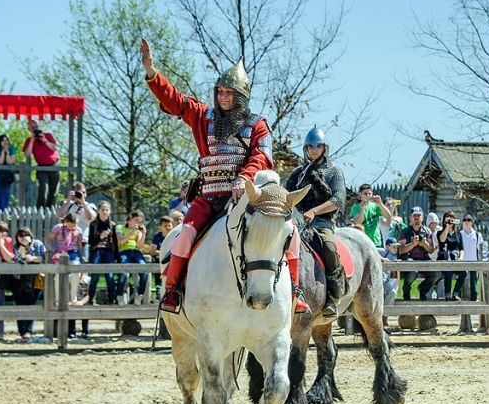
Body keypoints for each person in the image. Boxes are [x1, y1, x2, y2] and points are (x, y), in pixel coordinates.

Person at [142, 38, 284, 314]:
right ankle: (172, 291)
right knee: (184, 235)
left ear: (241, 96)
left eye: (229, 93)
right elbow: (176, 101)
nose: (223, 97)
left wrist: (244, 178)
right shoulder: (203, 117)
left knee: (280, 230)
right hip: (208, 196)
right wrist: (152, 73)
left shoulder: (257, 125)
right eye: (220, 92)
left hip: (244, 198)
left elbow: (261, 156)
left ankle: (293, 292)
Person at [286, 127, 347, 318]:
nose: (314, 149)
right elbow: (288, 197)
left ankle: (332, 297)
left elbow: (337, 200)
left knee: (328, 248)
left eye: (318, 145)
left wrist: (314, 211)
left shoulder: (334, 171)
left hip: (322, 223)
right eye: (310, 146)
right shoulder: (297, 173)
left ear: (324, 147)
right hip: (298, 222)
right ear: (305, 148)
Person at [11, 227, 45, 342]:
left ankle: (28, 332)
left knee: (31, 306)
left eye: (26, 235)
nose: (23, 237)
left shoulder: (38, 244)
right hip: (18, 280)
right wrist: (23, 246)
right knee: (19, 307)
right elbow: (17, 259)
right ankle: (22, 332)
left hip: (35, 279)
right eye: (20, 236)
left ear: (31, 236)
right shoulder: (15, 246)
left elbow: (44, 258)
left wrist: (32, 258)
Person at [397, 207, 438, 300]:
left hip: (424, 259)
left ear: (422, 217)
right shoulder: (404, 232)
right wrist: (412, 244)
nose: (416, 217)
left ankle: (422, 289)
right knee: (412, 271)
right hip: (409, 259)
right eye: (414, 215)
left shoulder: (427, 231)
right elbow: (400, 250)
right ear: (410, 217)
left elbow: (431, 250)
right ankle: (406, 292)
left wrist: (424, 244)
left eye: (418, 215)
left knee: (436, 273)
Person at [87, 202, 119, 307]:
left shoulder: (112, 225)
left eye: (107, 210)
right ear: (98, 211)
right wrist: (100, 237)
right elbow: (91, 242)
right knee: (95, 275)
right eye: (102, 210)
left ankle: (111, 299)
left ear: (110, 211)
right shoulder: (93, 224)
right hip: (96, 250)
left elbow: (115, 242)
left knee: (109, 275)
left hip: (108, 251)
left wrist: (116, 257)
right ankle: (90, 299)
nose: (104, 212)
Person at [23, 119, 61, 207]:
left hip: (54, 165)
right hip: (41, 167)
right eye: (32, 127)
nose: (34, 129)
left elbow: (54, 148)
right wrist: (32, 141)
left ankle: (50, 210)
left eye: (35, 127)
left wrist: (45, 140)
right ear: (29, 129)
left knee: (54, 191)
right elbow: (27, 154)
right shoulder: (29, 140)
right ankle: (40, 210)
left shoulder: (47, 135)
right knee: (43, 189)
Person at [56, 182, 96, 259]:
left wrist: (83, 202)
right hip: (68, 241)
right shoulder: (68, 204)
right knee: (67, 265)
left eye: (83, 192)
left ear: (86, 194)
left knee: (83, 264)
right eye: (78, 193)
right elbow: (60, 215)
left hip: (83, 240)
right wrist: (68, 200)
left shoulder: (90, 206)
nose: (81, 194)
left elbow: (90, 218)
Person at [116, 211, 148, 304]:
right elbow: (121, 242)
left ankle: (139, 294)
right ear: (129, 220)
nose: (138, 223)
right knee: (123, 273)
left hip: (136, 252)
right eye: (136, 220)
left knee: (144, 271)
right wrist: (131, 233)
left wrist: (143, 234)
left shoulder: (138, 231)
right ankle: (120, 295)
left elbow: (139, 245)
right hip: (124, 252)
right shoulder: (119, 227)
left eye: (139, 221)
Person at [457, 214, 485, 301]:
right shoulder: (459, 234)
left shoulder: (477, 235)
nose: (466, 222)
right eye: (464, 220)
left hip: (474, 261)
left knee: (474, 283)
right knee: (461, 282)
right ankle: (458, 298)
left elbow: (480, 249)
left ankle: (474, 300)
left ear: (472, 222)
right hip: (462, 262)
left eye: (468, 220)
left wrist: (480, 262)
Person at [437, 211, 464, 300]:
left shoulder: (458, 234)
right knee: (448, 270)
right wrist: (447, 227)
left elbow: (461, 249)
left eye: (451, 218)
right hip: (444, 259)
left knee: (464, 273)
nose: (449, 219)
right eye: (447, 217)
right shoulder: (440, 232)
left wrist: (460, 258)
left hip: (455, 259)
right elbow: (442, 240)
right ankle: (447, 294)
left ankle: (456, 293)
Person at [0, 134, 17, 209]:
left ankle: (4, 209)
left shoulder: (12, 149)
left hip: (7, 173)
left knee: (6, 192)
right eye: (3, 141)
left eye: (6, 140)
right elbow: (0, 162)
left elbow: (10, 162)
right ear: (0, 142)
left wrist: (8, 153)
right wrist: (3, 151)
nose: (5, 142)